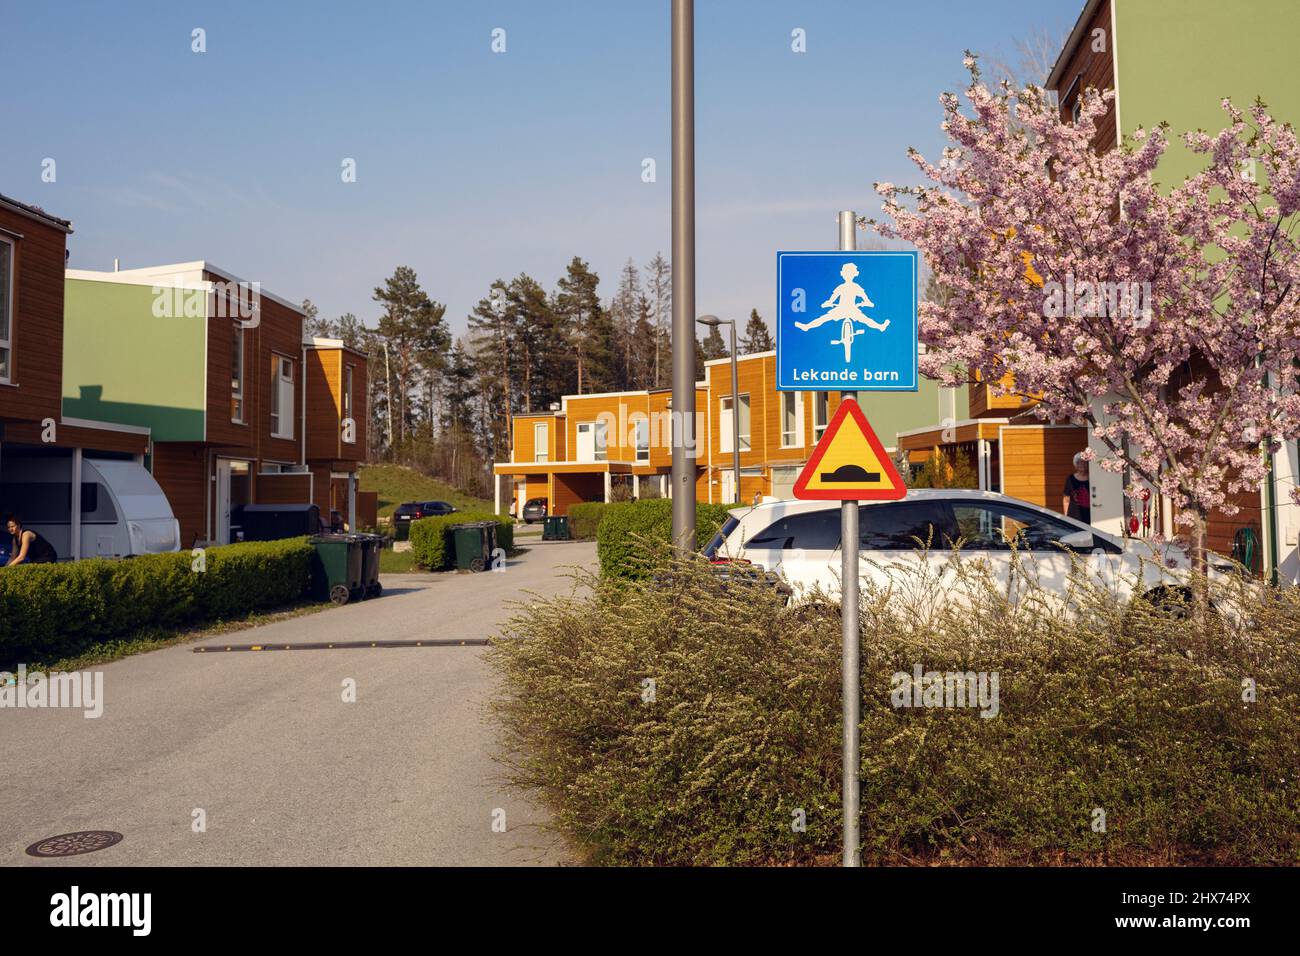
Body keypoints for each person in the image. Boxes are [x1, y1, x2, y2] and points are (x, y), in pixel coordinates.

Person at [1062, 453, 1091, 524]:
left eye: (1085, 462)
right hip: (1074, 516)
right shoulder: (1070, 479)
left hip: (1090, 516)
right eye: (1080, 462)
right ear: (1076, 464)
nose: (1082, 464)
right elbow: (1066, 499)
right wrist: (1066, 516)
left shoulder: (1092, 478)